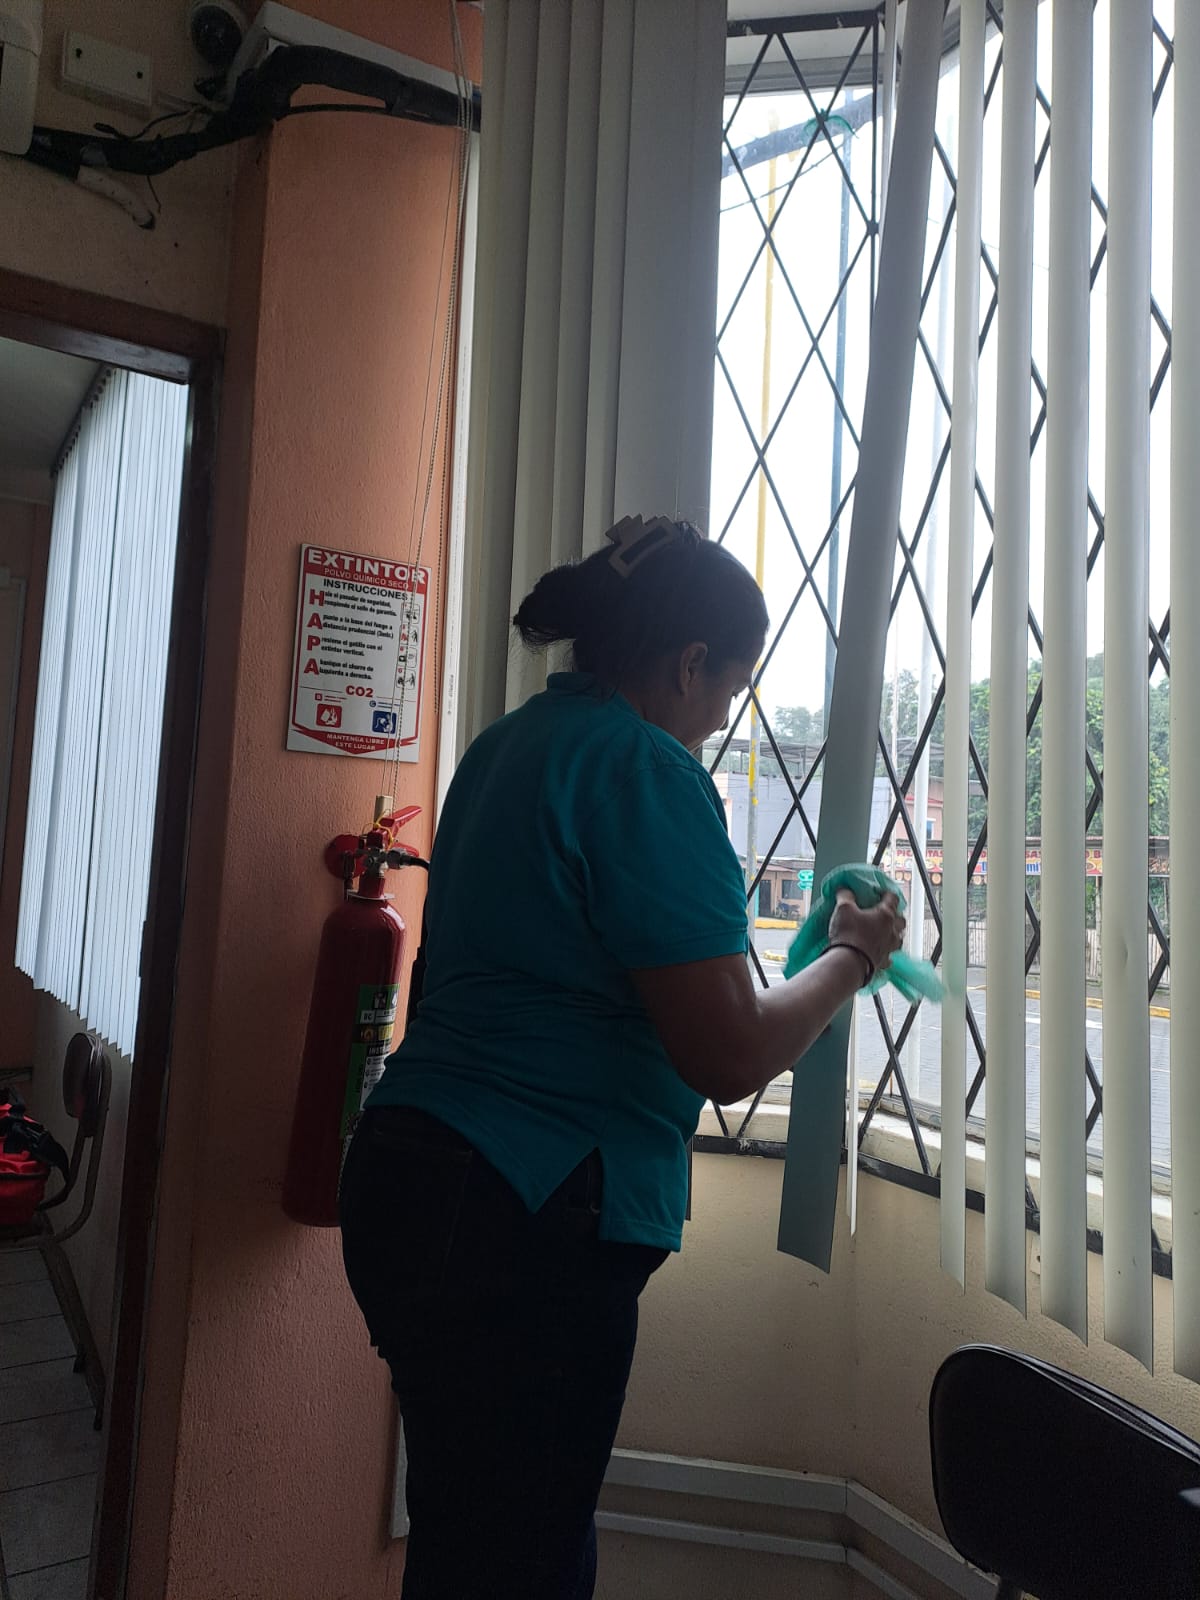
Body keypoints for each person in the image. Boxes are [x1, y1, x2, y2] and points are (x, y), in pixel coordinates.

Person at [339, 515, 904, 1600]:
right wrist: (851, 958)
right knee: (524, 1561)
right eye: (730, 685)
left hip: (407, 1176)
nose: (723, 715)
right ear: (690, 663)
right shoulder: (647, 769)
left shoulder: (504, 749)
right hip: (518, 1209)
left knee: (467, 1537)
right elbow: (728, 1051)